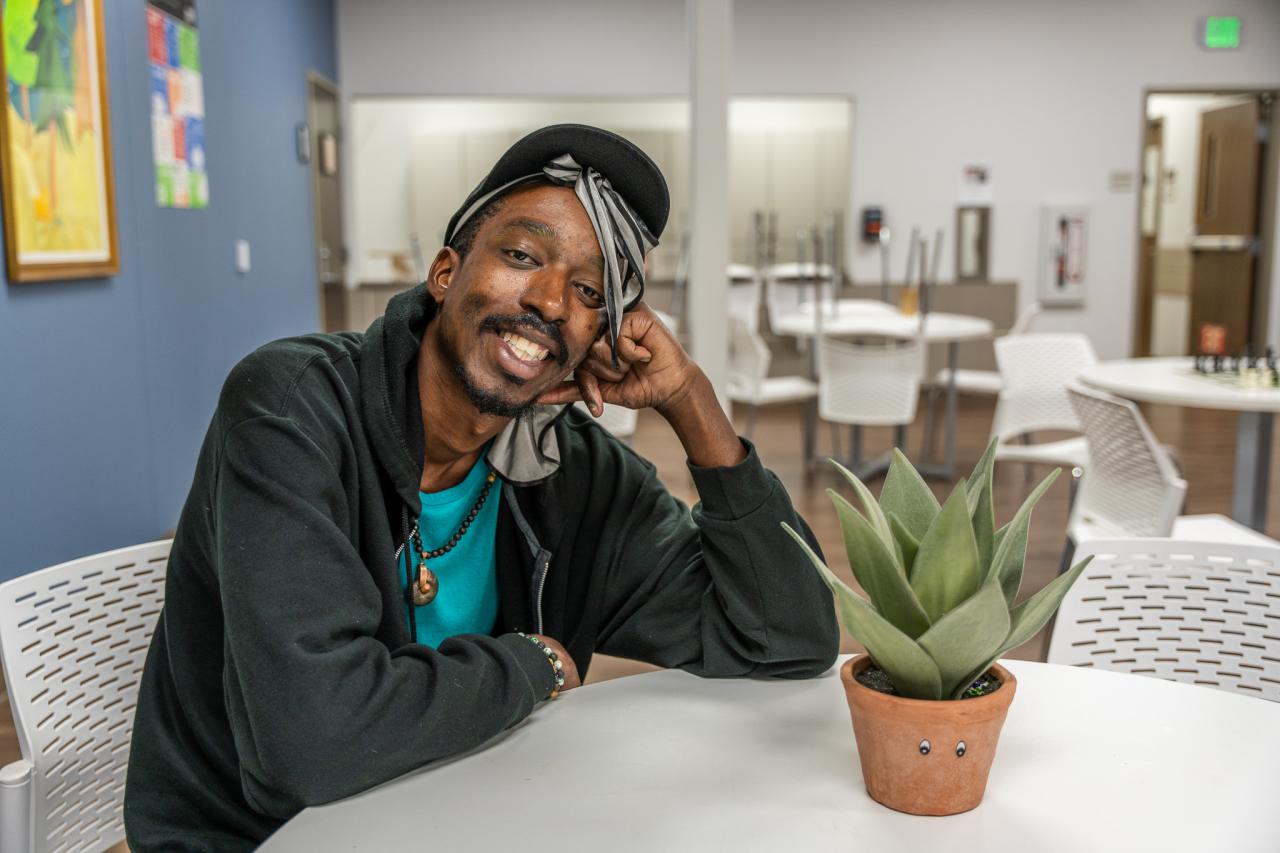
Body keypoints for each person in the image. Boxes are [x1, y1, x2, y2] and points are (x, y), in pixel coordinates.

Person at [124, 124, 838, 850]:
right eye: (523, 255)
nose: (552, 300)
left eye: (590, 290)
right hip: (255, 837)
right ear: (446, 273)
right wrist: (533, 664)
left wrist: (692, 402)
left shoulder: (574, 474)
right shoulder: (293, 409)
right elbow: (315, 741)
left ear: (598, 337)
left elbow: (791, 636)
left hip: (462, 816)